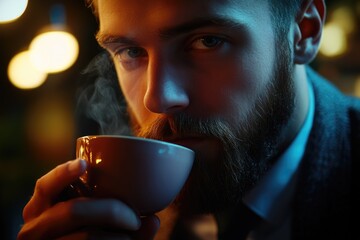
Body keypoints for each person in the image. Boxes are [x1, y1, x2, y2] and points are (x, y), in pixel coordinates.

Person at [17, 0, 359, 239]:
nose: (158, 99)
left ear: (304, 30)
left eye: (207, 41)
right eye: (130, 52)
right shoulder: (121, 210)